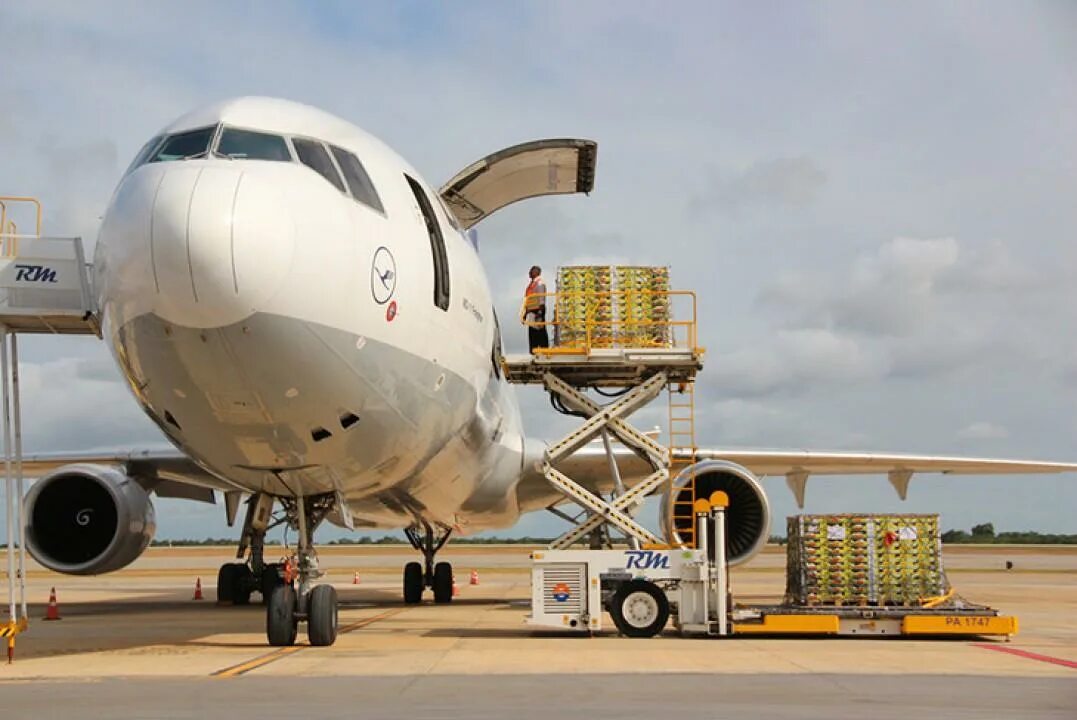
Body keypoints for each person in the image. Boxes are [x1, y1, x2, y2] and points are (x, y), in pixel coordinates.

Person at [522, 265, 549, 352]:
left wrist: (540, 313)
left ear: (536, 272)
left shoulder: (539, 283)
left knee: (540, 333)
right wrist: (525, 314)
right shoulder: (532, 284)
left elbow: (541, 299)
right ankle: (533, 351)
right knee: (532, 334)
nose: (529, 272)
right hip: (531, 311)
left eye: (531, 271)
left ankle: (544, 351)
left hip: (537, 311)